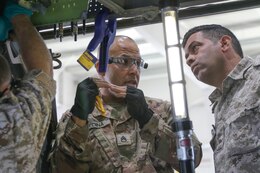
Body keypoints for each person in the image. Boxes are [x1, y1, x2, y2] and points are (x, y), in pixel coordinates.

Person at [49, 35, 202, 173]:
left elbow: (192, 158)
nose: (134, 70)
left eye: (138, 63)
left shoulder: (162, 110)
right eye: (124, 61)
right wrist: (78, 120)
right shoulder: (78, 118)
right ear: (100, 68)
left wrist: (147, 119)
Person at [182, 24, 260, 173]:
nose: (189, 60)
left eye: (195, 48)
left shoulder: (257, 77)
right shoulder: (220, 106)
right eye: (187, 57)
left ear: (224, 43)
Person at [0, 1, 56, 173]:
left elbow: (42, 72)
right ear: (6, 89)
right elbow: (41, 73)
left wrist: (20, 17)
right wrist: (19, 17)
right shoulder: (13, 125)